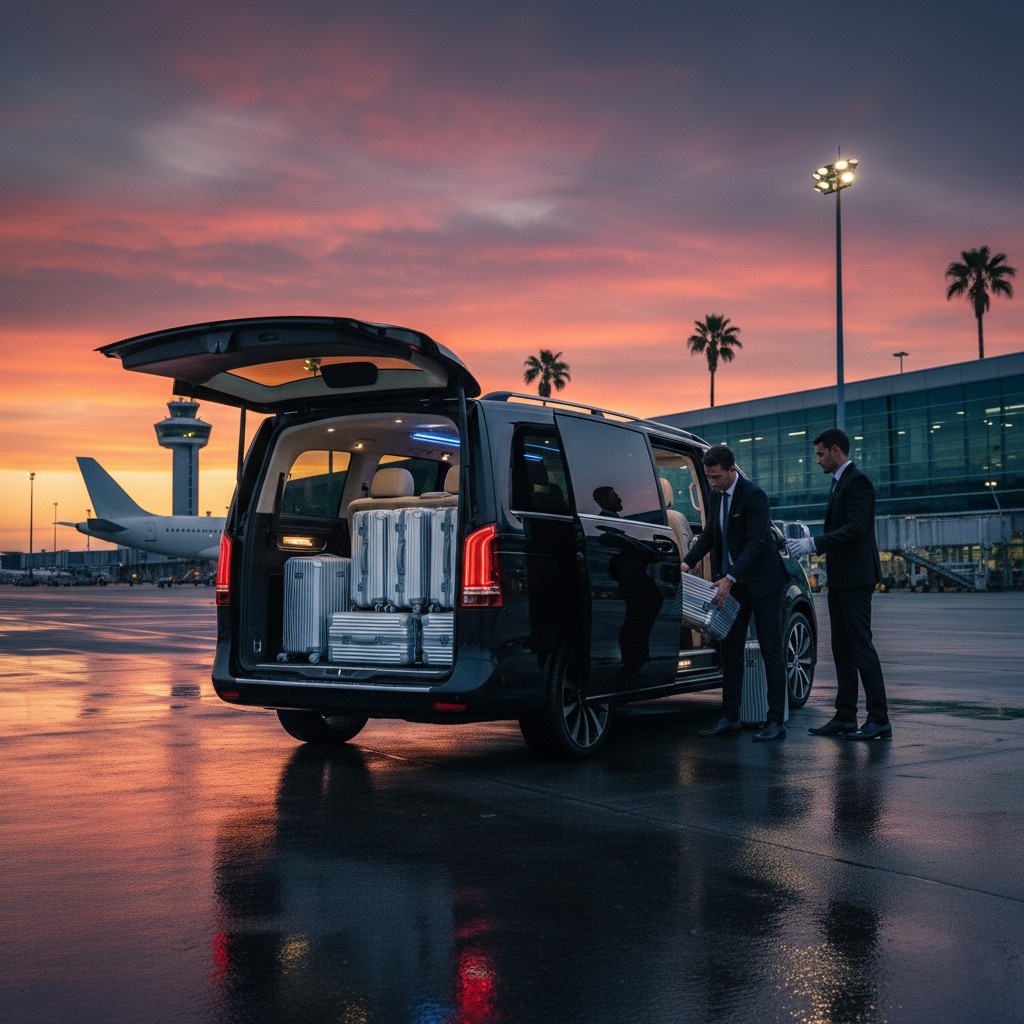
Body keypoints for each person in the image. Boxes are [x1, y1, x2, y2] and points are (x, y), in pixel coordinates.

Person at [788, 428, 891, 740]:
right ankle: (846, 716)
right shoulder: (840, 483)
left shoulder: (857, 481)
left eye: (820, 454)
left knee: (861, 646)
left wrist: (813, 543)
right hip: (843, 577)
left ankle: (879, 719)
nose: (817, 460)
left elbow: (855, 529)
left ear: (835, 450)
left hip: (857, 578)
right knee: (842, 648)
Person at [681, 445, 789, 742]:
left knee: (771, 650)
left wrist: (729, 577)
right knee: (731, 650)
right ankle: (730, 717)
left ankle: (775, 722)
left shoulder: (754, 496)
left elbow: (756, 543)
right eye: (708, 477)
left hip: (765, 583)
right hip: (735, 584)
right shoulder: (717, 497)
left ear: (732, 470)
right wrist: (686, 563)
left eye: (716, 477)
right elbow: (710, 536)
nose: (712, 483)